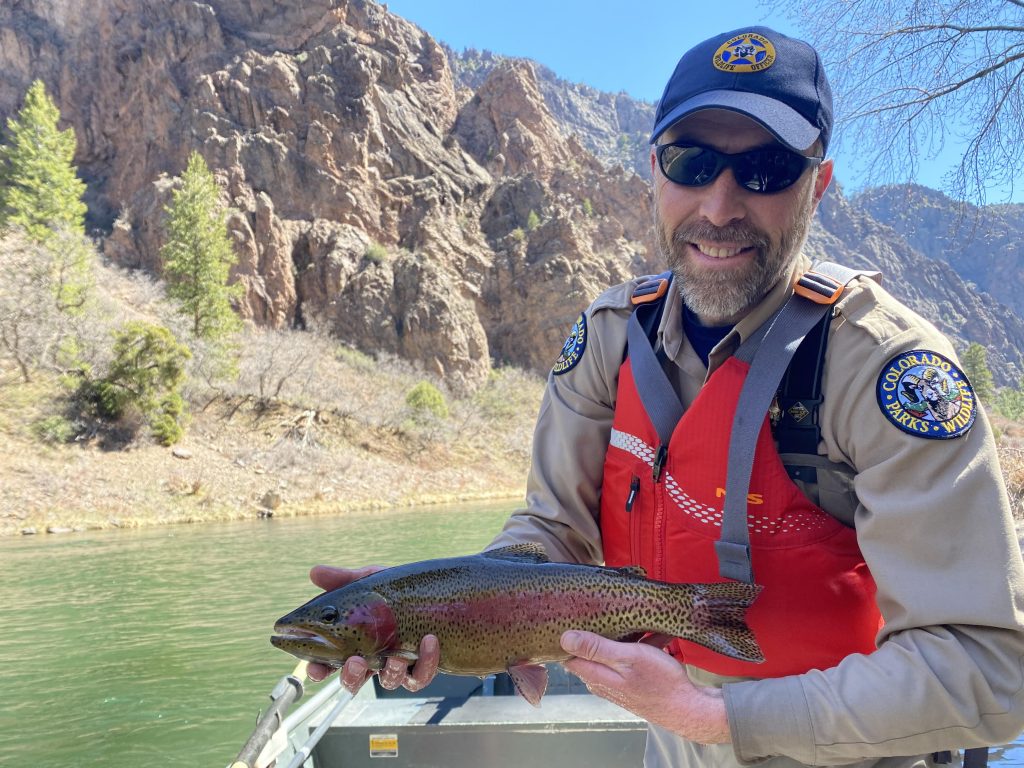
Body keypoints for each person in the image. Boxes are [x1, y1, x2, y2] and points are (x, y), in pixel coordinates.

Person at [308, 26, 1024, 768]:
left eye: (768, 169)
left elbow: (988, 672)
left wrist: (716, 714)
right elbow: (553, 531)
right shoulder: (610, 335)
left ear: (819, 183)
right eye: (692, 162)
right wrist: (448, 601)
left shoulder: (884, 370)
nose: (719, 207)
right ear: (654, 170)